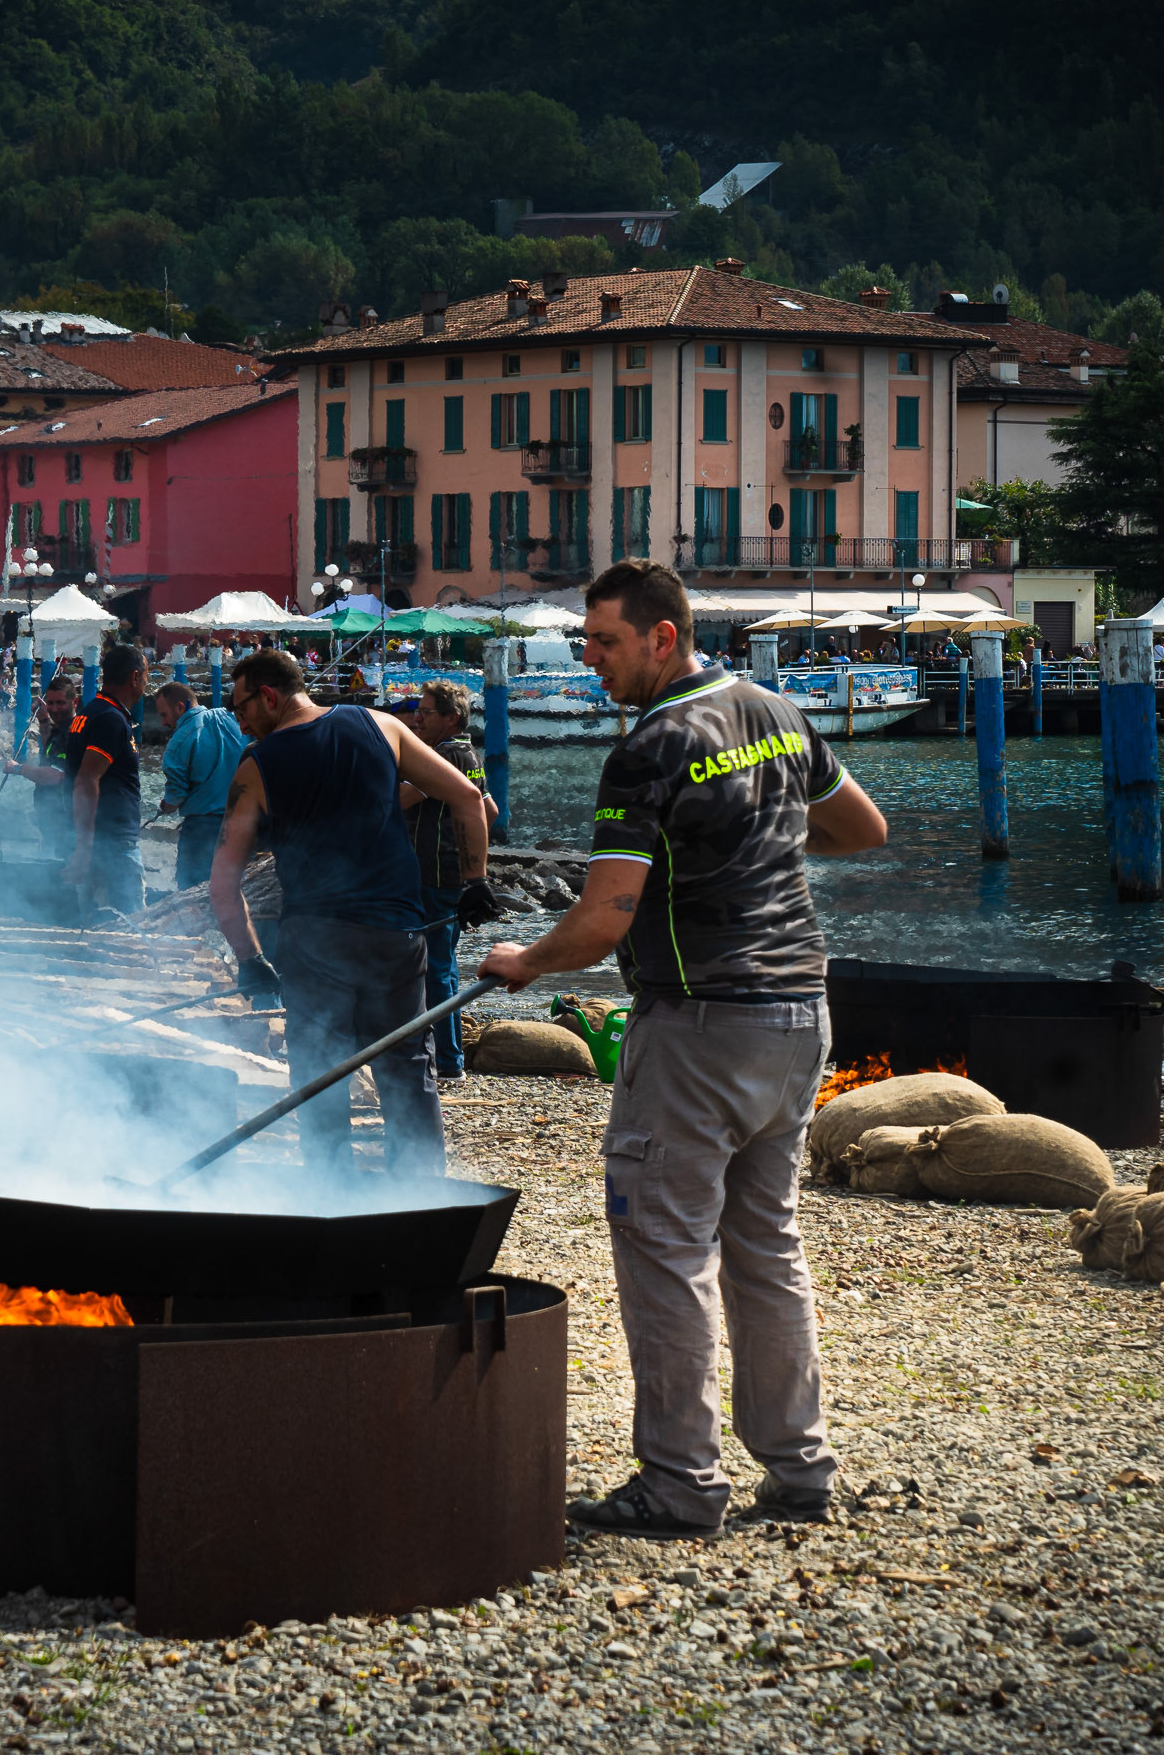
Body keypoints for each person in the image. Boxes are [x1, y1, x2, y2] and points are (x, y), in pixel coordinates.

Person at [479, 560, 889, 1540]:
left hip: (700, 1024)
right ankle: (800, 1469)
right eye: (584, 642)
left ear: (665, 637)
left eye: (605, 643)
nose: (590, 662)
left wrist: (525, 961)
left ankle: (680, 1484)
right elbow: (860, 829)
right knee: (766, 1246)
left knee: (666, 1252)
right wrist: (761, 848)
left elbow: (603, 922)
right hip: (798, 1016)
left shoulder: (652, 750)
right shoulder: (776, 715)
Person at [209, 648, 497, 1178]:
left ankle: (330, 1195)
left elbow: (222, 884)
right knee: (407, 1065)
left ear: (269, 696)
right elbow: (468, 796)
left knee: (321, 1071)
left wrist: (250, 960)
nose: (240, 720)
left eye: (241, 707)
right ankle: (420, 1197)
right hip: (396, 934)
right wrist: (474, 882)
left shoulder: (257, 768)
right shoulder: (380, 726)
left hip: (314, 939)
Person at [399, 680, 497, 1081]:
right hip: (452, 874)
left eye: (426, 712)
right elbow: (488, 811)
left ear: (451, 719)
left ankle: (446, 1060)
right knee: (446, 965)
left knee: (433, 967)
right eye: (417, 710)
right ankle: (449, 1055)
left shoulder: (443, 756)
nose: (417, 717)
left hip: (433, 874)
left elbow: (399, 798)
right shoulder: (468, 753)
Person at [59, 644, 147, 918]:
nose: (146, 682)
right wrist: (84, 850)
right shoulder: (110, 719)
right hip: (112, 845)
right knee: (129, 926)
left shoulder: (90, 713)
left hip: (99, 840)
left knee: (97, 924)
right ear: (135, 677)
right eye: (146, 675)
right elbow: (85, 781)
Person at [155, 679, 246, 890]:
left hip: (202, 830)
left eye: (164, 715)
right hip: (242, 823)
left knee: (193, 893)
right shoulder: (231, 718)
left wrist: (166, 806)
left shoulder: (178, 742)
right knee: (238, 891)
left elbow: (176, 796)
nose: (163, 723)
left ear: (180, 707)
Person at [2, 674, 81, 857]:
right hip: (51, 817)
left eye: (60, 703)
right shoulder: (61, 728)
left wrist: (18, 769)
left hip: (68, 820)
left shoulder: (74, 733)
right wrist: (44, 719)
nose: (55, 708)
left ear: (74, 702)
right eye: (51, 703)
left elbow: (55, 775)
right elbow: (49, 753)